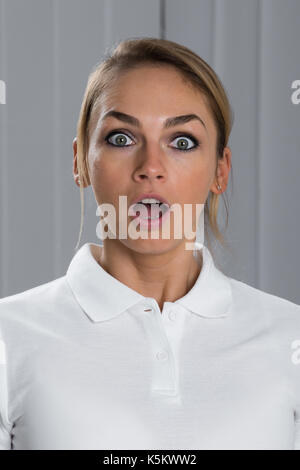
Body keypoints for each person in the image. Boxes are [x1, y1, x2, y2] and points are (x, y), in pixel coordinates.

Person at [0, 37, 299, 450]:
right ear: (79, 162)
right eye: (122, 138)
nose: (151, 168)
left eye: (182, 142)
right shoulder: (8, 337)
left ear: (220, 170)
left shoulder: (290, 336)